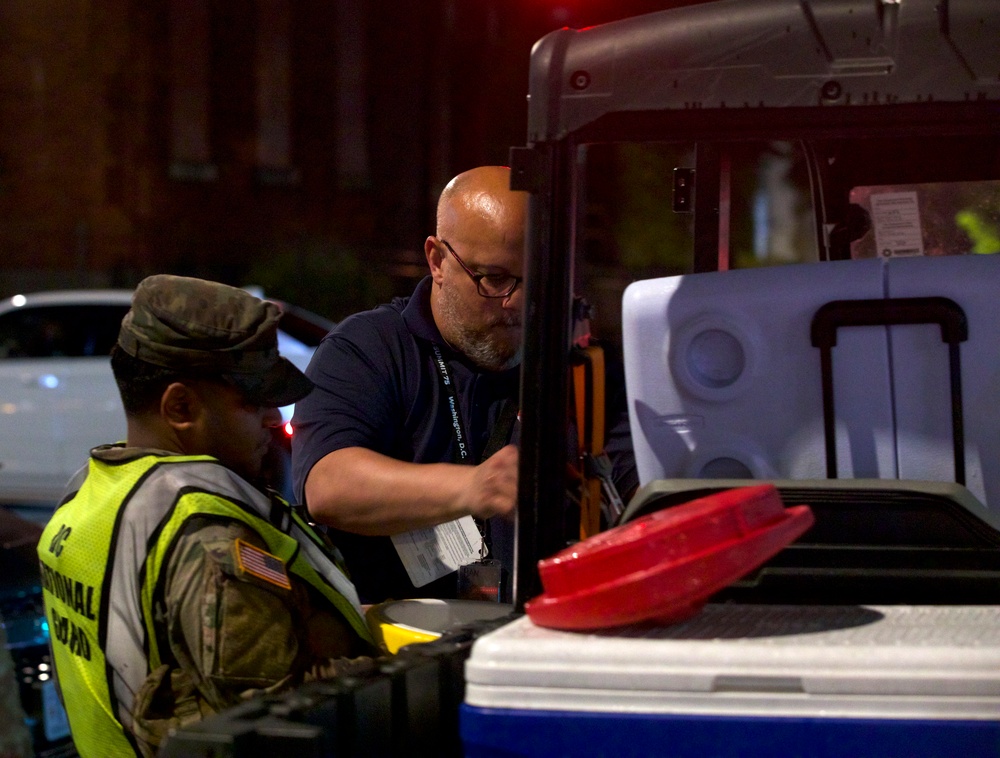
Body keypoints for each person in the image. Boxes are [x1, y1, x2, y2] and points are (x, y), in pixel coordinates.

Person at [36, 276, 375, 758]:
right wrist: (394, 660)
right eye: (251, 401)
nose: (272, 419)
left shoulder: (88, 493)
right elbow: (282, 716)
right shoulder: (205, 534)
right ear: (180, 407)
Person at [292, 165, 638, 603]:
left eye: (535, 282)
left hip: (544, 640)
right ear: (437, 260)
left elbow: (641, 492)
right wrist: (474, 488)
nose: (515, 303)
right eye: (493, 278)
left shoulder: (583, 371)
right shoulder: (370, 348)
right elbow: (327, 485)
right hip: (404, 644)